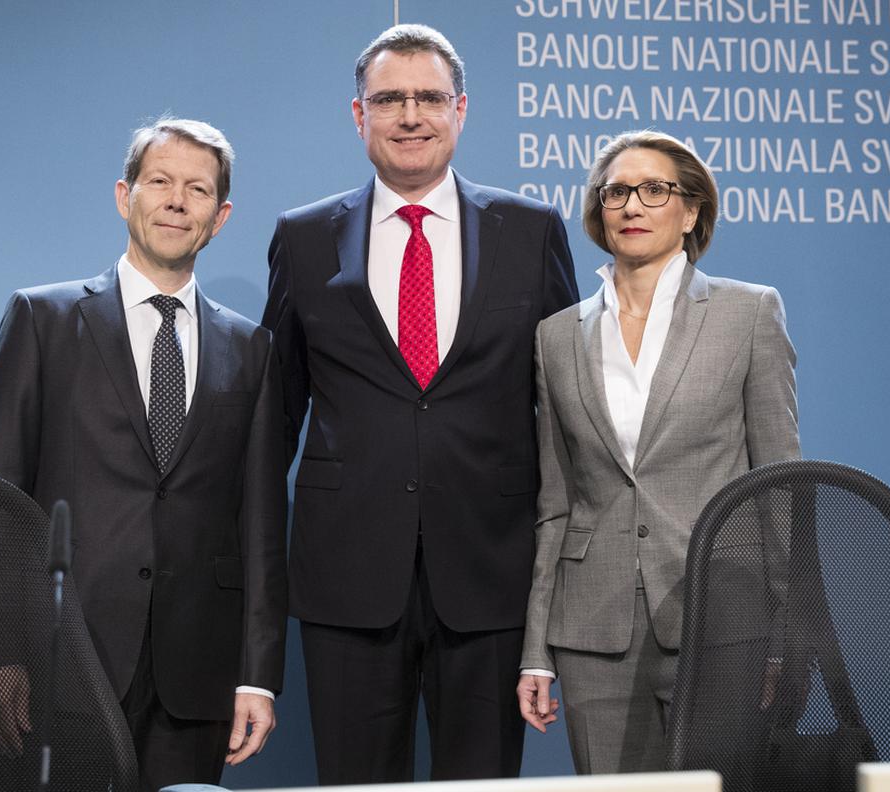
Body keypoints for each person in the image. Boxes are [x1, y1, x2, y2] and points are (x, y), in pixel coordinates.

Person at [261, 23, 578, 784]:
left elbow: (564, 410)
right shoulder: (304, 238)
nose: (411, 115)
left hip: (491, 568)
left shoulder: (530, 230)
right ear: (358, 114)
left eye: (430, 97)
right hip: (347, 573)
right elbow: (274, 419)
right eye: (390, 99)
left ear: (461, 110)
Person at [0, 117, 287, 791]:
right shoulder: (42, 320)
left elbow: (260, 525)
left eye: (197, 190)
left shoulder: (252, 349)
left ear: (220, 215)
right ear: (125, 196)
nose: (177, 201)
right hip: (61, 660)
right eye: (161, 182)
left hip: (197, 674)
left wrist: (259, 673)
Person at [516, 130, 800, 773]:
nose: (632, 206)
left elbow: (779, 486)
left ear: (691, 210)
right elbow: (555, 504)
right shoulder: (556, 336)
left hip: (724, 612)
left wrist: (789, 633)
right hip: (593, 628)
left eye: (654, 190)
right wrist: (537, 646)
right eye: (616, 191)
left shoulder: (749, 313)